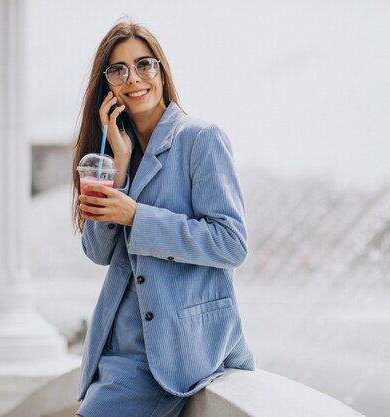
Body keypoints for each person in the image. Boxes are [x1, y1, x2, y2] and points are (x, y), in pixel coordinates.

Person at [71, 20, 254, 417]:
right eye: (118, 70)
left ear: (162, 70)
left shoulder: (201, 140)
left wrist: (137, 216)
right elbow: (98, 252)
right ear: (108, 86)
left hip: (170, 351)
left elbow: (232, 242)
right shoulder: (114, 153)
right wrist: (118, 169)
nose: (133, 78)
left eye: (144, 65)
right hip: (115, 350)